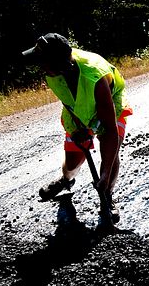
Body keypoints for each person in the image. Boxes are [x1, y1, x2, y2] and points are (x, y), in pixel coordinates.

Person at [22, 33, 132, 225]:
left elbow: (109, 129)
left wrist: (104, 175)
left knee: (110, 152)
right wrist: (78, 130)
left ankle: (107, 196)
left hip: (110, 103)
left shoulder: (94, 78)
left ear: (59, 64)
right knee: (72, 161)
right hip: (77, 109)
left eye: (43, 62)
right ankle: (66, 180)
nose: (40, 67)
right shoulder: (53, 74)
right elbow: (68, 100)